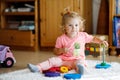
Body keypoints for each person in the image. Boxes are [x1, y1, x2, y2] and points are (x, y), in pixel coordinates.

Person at [27, 11, 108, 74]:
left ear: (79, 26)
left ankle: (80, 69)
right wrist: (61, 50)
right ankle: (37, 67)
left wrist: (101, 41)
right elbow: (55, 51)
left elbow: (93, 38)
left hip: (77, 59)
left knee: (80, 63)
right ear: (64, 27)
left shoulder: (82, 36)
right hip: (63, 60)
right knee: (52, 60)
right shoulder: (61, 38)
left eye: (76, 25)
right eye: (70, 25)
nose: (74, 28)